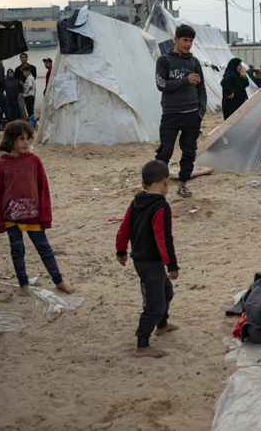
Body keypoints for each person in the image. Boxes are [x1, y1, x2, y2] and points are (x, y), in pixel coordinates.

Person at [0, 121, 74, 297]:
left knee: (44, 249)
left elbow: (43, 189)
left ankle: (58, 281)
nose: (25, 143)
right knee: (17, 250)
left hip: (33, 216)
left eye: (28, 138)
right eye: (21, 139)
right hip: (11, 218)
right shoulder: (1, 166)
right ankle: (23, 285)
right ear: (11, 140)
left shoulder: (34, 161)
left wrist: (45, 216)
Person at [116, 160, 180, 358]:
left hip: (149, 261)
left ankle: (161, 325)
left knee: (166, 292)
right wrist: (172, 264)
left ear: (144, 184)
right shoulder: (161, 207)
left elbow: (123, 228)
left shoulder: (136, 202)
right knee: (154, 305)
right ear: (166, 181)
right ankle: (142, 344)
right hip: (148, 262)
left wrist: (121, 250)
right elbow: (164, 238)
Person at [155, 24, 207, 199]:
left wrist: (201, 110)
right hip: (171, 113)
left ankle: (183, 184)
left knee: (189, 151)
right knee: (165, 151)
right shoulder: (164, 61)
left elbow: (202, 89)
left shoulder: (194, 62)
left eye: (191, 40)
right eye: (185, 40)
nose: (188, 44)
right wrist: (185, 80)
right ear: (176, 39)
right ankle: (158, 185)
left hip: (192, 114)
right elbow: (161, 85)